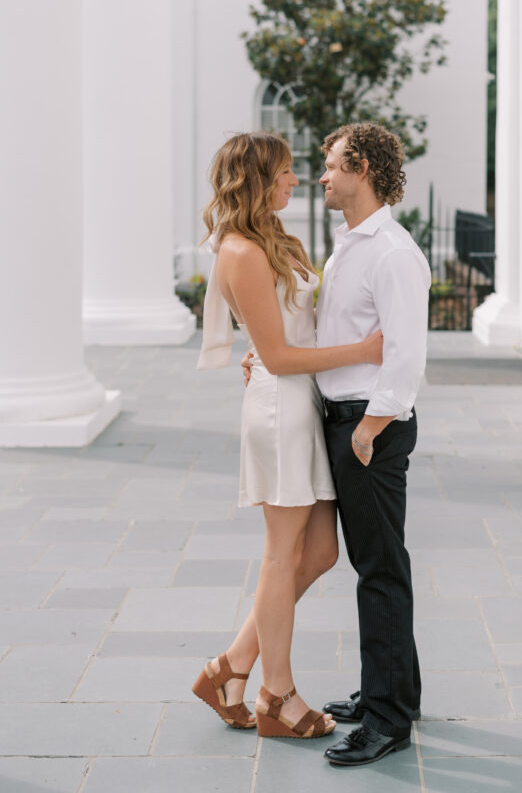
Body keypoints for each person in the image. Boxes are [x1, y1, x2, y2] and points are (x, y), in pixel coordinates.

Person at [192, 132, 383, 741]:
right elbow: (275, 354)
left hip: (307, 403)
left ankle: (230, 667)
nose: (296, 181)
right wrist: (364, 351)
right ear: (254, 178)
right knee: (281, 555)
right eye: (284, 172)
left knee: (321, 552)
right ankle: (277, 693)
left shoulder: (279, 240)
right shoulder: (240, 251)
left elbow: (289, 330)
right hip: (280, 411)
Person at [316, 123, 430, 767]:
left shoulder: (390, 250)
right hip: (347, 419)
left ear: (360, 167)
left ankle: (387, 721)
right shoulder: (350, 245)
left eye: (332, 165)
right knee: (377, 565)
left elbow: (406, 353)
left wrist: (368, 427)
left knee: (380, 572)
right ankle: (395, 694)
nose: (324, 176)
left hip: (369, 428)